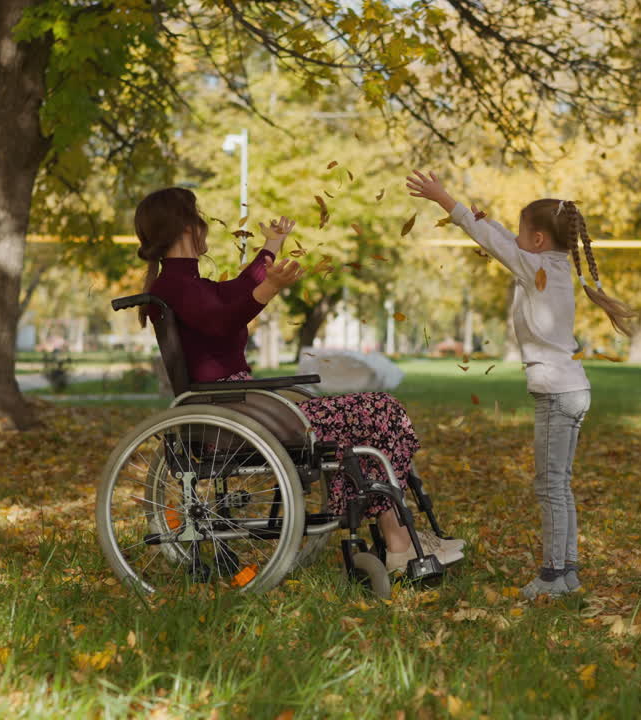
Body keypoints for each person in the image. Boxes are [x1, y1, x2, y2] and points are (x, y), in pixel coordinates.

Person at [134, 187, 464, 573]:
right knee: (379, 409)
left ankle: (398, 537)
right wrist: (269, 288)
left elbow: (237, 291)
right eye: (199, 219)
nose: (205, 225)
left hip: (240, 407)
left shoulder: (186, 284)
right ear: (187, 227)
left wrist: (271, 247)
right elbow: (222, 319)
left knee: (377, 413)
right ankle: (397, 539)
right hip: (236, 413)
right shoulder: (177, 286)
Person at [406, 170, 635, 599]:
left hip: (556, 393)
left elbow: (498, 246)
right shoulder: (554, 265)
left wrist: (445, 200)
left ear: (539, 240)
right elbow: (505, 242)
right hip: (573, 389)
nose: (516, 238)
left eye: (522, 232)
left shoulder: (535, 267)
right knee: (560, 484)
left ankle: (552, 577)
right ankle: (567, 573)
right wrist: (488, 222)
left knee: (550, 487)